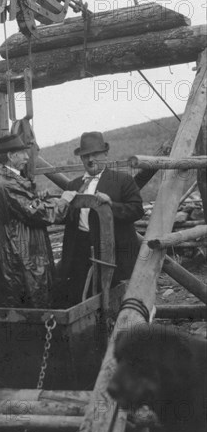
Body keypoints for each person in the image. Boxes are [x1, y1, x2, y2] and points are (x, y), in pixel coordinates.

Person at [0, 133, 76, 309]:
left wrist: (37, 198)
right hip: (22, 251)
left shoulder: (0, 180)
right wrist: (64, 202)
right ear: (11, 156)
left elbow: (24, 206)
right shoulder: (8, 184)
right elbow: (37, 214)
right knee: (33, 300)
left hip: (14, 248)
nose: (27, 157)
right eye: (22, 153)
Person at [61, 131, 144, 305]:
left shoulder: (122, 180)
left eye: (95, 154)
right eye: (86, 156)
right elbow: (66, 218)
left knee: (112, 298)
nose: (90, 160)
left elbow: (136, 210)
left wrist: (111, 204)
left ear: (105, 154)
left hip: (113, 250)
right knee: (81, 295)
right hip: (80, 249)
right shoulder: (73, 185)